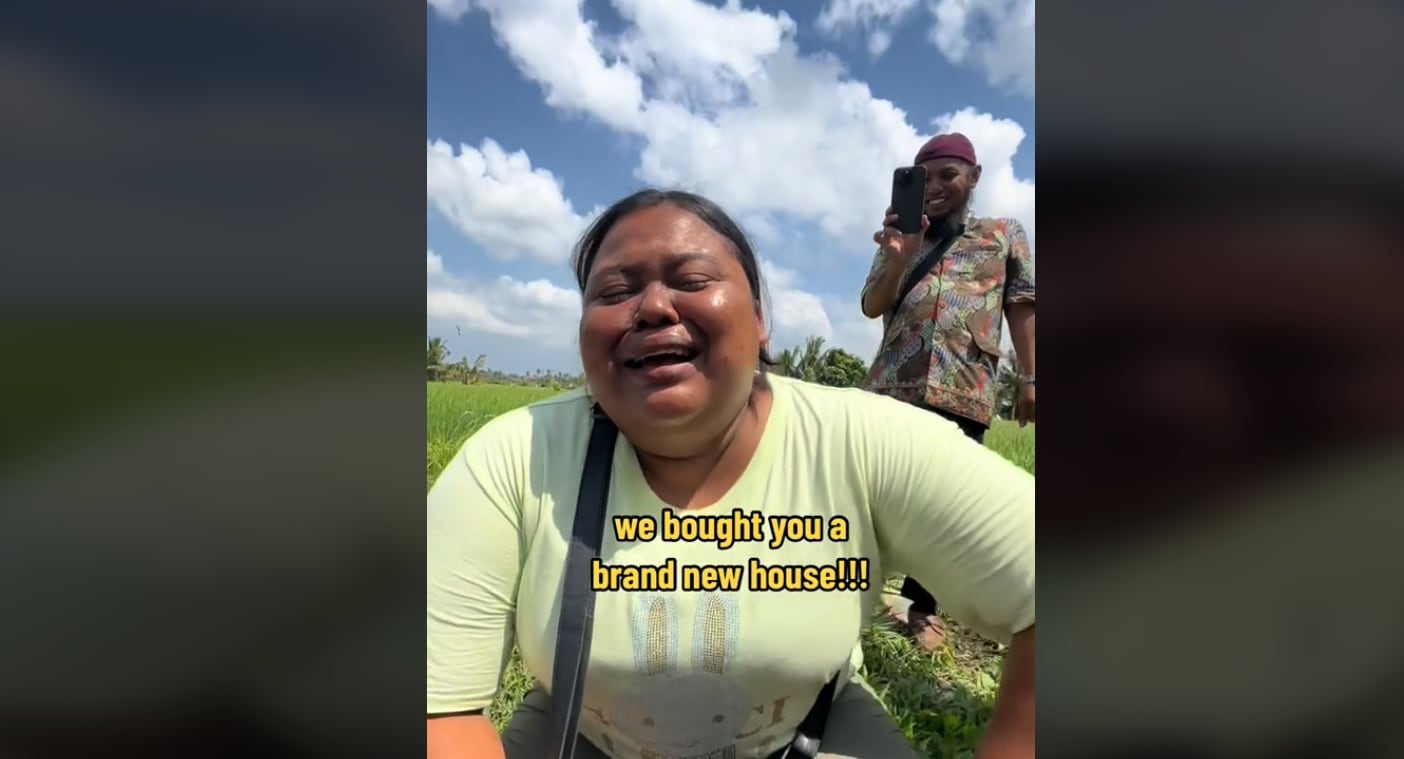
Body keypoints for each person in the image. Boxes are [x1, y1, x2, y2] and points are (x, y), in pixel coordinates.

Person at [426, 189, 1035, 759]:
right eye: (613, 292)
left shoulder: (862, 438)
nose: (653, 308)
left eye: (691, 281)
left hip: (802, 732)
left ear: (759, 319)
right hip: (581, 733)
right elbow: (437, 709)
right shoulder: (514, 455)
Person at [858, 133, 1036, 652]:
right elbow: (872, 306)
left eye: (947, 176)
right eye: (925, 177)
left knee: (944, 507)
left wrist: (1031, 377)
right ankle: (854, 589)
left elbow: (1022, 305)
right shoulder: (900, 234)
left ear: (974, 177)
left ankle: (922, 607)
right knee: (874, 492)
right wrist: (898, 258)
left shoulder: (1003, 235)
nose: (934, 187)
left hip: (965, 384)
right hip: (893, 383)